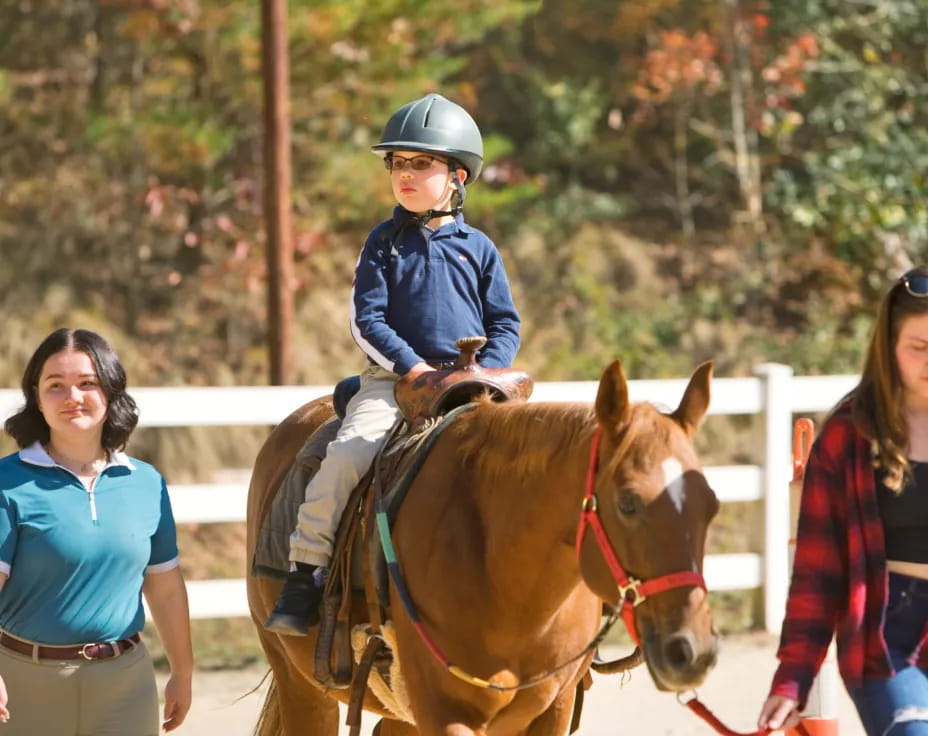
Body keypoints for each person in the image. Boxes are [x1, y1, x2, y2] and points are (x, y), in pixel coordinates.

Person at [265, 92, 521, 635]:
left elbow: (506, 324)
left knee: (530, 464)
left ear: (457, 176)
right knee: (347, 456)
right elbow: (368, 321)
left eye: (420, 163)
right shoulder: (383, 243)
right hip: (395, 383)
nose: (404, 174)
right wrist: (413, 369)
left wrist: (487, 374)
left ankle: (540, 590)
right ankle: (305, 571)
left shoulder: (480, 249)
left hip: (473, 382)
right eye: (396, 163)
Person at [758, 267, 928, 735]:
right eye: (919, 347)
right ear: (888, 347)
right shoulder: (848, 435)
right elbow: (817, 574)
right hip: (886, 633)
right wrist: (792, 680)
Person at [0, 328, 193, 735]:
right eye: (56, 386)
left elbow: (166, 587)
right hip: (23, 688)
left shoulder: (146, 482)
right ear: (36, 396)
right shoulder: (7, 482)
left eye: (88, 383)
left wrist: (183, 670)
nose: (73, 397)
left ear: (110, 391)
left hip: (126, 685)